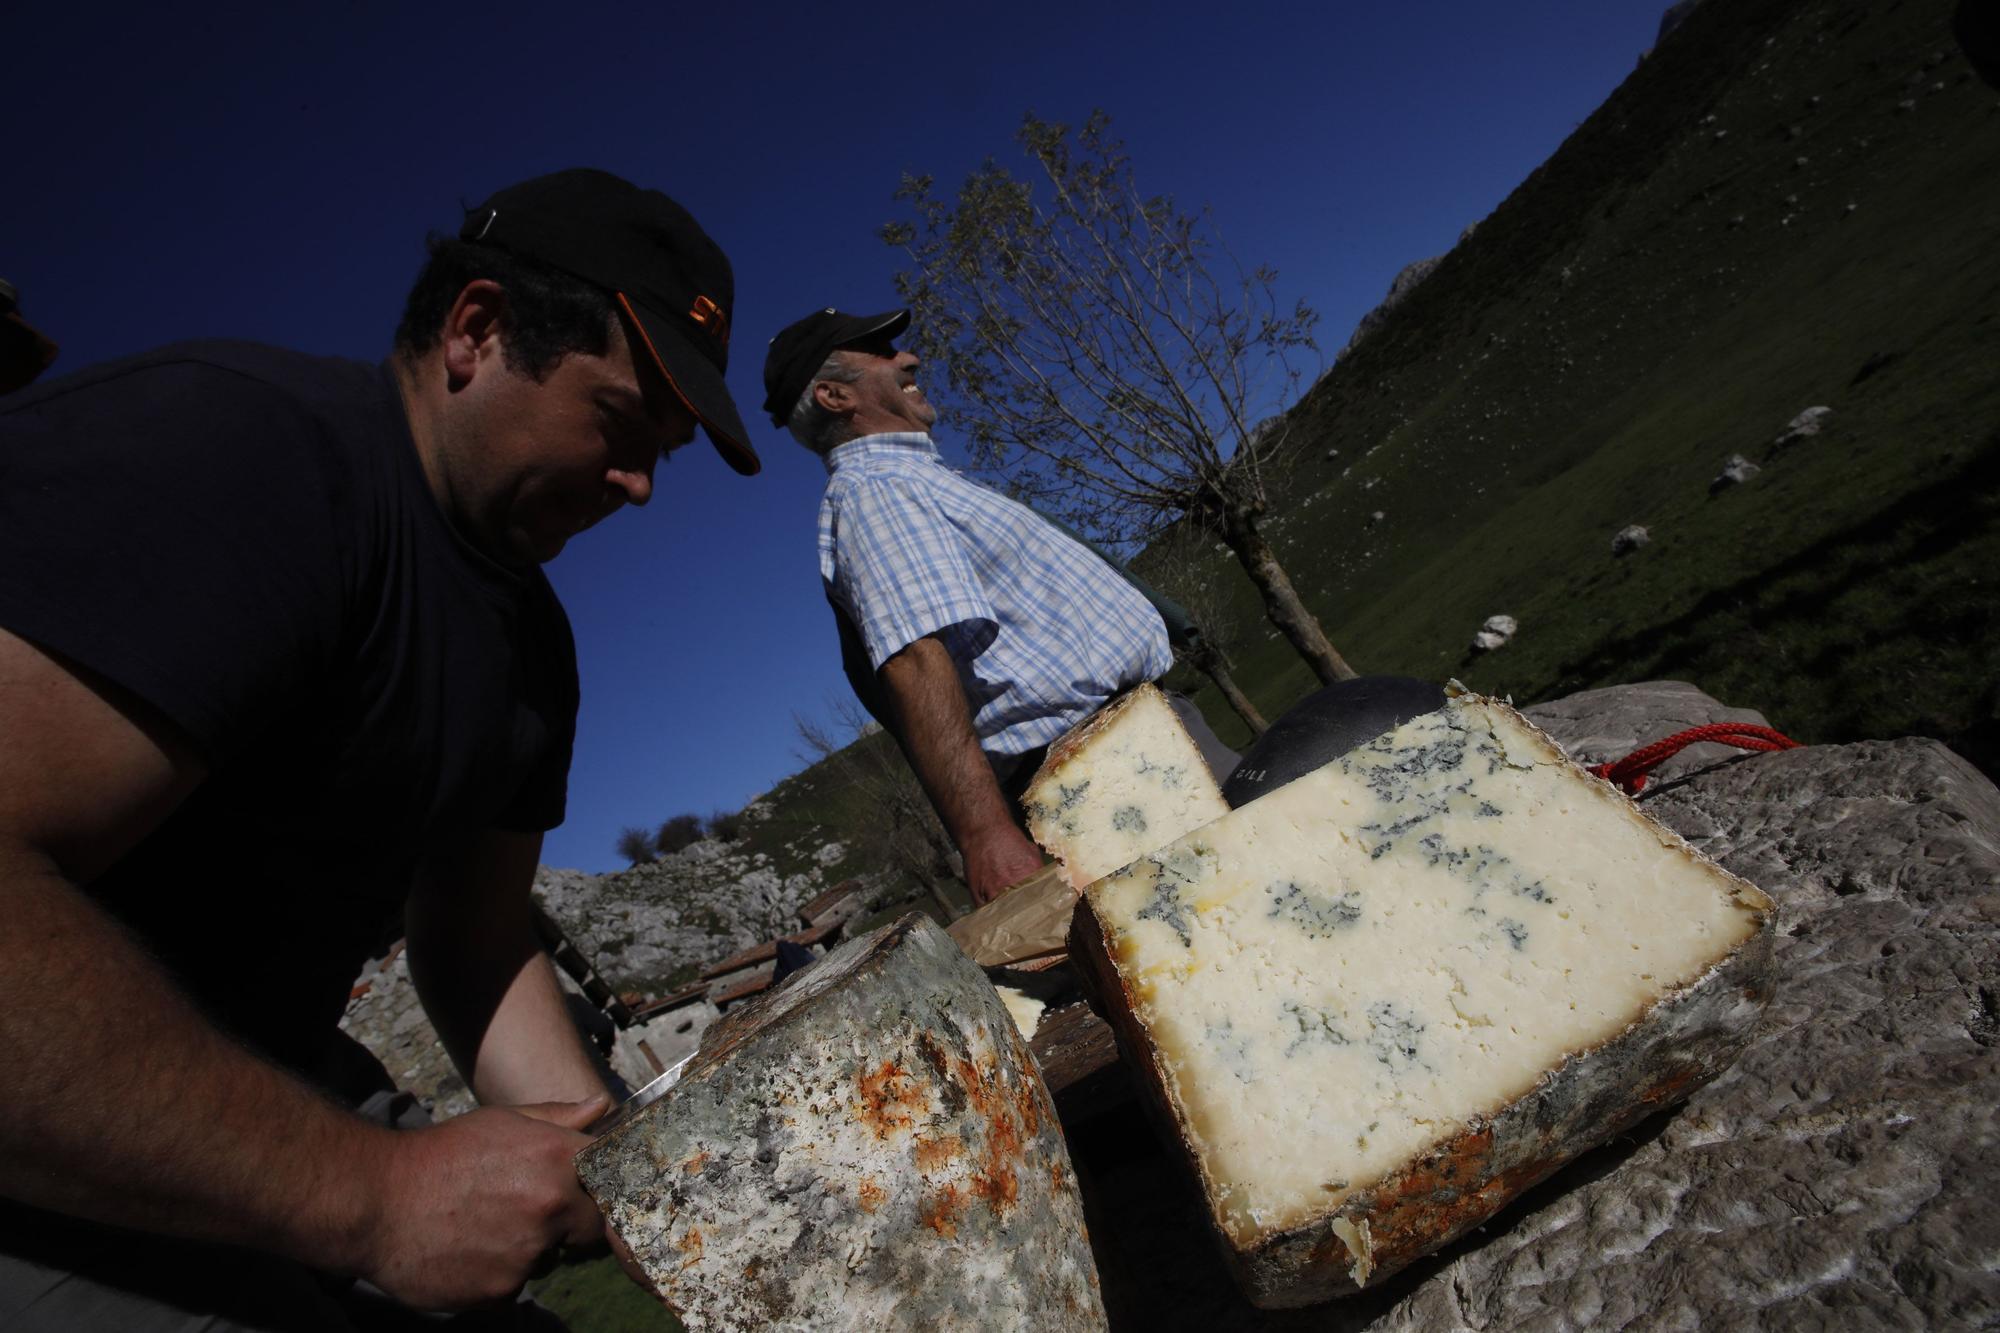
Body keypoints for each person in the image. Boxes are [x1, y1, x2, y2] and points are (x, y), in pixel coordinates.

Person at [0, 168, 758, 1330]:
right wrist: (371, 1197)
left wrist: (626, 1171)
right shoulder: (238, 456)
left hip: (266, 1091)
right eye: (618, 421)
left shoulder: (528, 648)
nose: (640, 486)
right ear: (477, 329)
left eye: (664, 451)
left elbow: (474, 933)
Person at [763, 306, 1237, 907]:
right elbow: (913, 657)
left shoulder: (915, 483)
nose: (907, 357)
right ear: (834, 396)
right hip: (1114, 774)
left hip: (1136, 750)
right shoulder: (878, 493)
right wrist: (984, 836)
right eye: (879, 351)